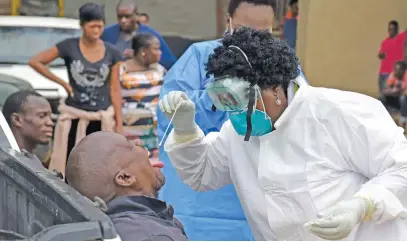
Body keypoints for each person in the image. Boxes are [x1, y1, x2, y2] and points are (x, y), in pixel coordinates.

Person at [159, 27, 407, 241]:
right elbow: (203, 173)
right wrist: (185, 130)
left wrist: (363, 205)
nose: (236, 113)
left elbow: (400, 167)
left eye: (243, 100)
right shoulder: (238, 135)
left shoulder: (337, 113)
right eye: (226, 103)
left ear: (275, 89)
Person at [156, 0, 307, 240]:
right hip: (198, 204)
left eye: (263, 33)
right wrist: (215, 97)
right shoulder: (200, 57)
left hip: (260, 191)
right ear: (229, 22)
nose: (253, 40)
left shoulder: (282, 63)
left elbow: (302, 115)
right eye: (245, 30)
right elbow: (170, 118)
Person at [29, 2, 123, 177]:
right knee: (69, 167)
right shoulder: (68, 46)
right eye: (92, 26)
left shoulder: (112, 52)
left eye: (100, 26)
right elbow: (36, 61)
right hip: (74, 119)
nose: (96, 31)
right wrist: (63, 83)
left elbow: (115, 88)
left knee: (99, 168)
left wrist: (119, 123)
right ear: (82, 25)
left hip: (100, 120)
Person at [66, 131, 188, 241]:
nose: (138, 141)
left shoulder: (116, 225)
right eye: (130, 146)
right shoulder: (155, 236)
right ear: (125, 178)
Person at [121, 33, 165, 160]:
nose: (159, 52)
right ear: (143, 51)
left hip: (154, 133)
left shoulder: (160, 69)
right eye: (156, 48)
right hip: (130, 132)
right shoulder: (122, 69)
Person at [101, 0, 176, 69]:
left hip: (143, 79)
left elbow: (169, 63)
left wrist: (140, 57)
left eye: (127, 16)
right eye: (120, 17)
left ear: (137, 16)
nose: (123, 20)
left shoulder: (151, 35)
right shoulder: (107, 34)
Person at [2, 91, 53, 168]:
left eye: (50, 117)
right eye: (42, 116)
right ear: (17, 119)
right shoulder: (5, 163)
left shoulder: (32, 160)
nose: (50, 123)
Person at [378, 20, 406, 95]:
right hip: (383, 74)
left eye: (393, 29)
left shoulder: (401, 38)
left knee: (396, 97)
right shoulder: (385, 42)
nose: (390, 31)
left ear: (397, 29)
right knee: (383, 97)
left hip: (395, 75)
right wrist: (381, 55)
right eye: (389, 29)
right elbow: (380, 54)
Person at [381, 61, 407, 129]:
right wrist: (391, 91)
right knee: (382, 98)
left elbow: (405, 93)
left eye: (397, 70)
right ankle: (384, 117)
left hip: (404, 100)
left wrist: (396, 92)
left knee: (403, 98)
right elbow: (385, 89)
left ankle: (403, 120)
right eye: (395, 69)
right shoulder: (393, 75)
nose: (395, 71)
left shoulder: (406, 76)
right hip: (396, 98)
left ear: (403, 70)